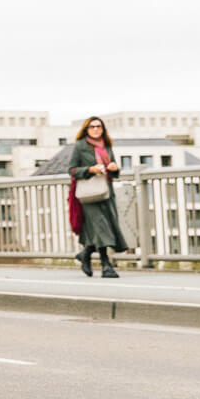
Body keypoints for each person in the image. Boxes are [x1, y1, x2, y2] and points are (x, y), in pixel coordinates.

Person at [68, 115, 129, 278]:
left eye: (99, 126)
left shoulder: (106, 146)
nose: (96, 129)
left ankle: (86, 253)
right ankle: (106, 265)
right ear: (86, 129)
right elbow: (72, 170)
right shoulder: (80, 146)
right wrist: (90, 170)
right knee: (101, 227)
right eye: (92, 126)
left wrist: (114, 168)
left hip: (106, 192)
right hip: (89, 195)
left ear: (103, 129)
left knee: (106, 226)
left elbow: (113, 171)